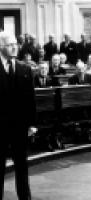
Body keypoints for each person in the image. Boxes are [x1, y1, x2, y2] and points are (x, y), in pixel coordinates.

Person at [0, 31, 36, 200]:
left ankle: (25, 197)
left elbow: (30, 99)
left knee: (22, 166)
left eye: (15, 43)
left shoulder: (24, 68)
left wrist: (32, 123)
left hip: (19, 127)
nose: (14, 47)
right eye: (9, 44)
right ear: (0, 47)